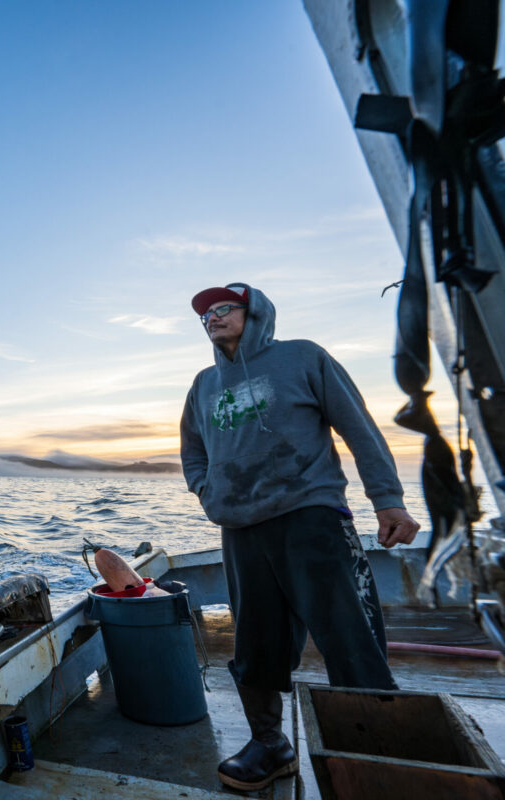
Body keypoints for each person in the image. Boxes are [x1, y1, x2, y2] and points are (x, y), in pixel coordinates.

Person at [179, 283, 419, 792]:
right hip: (241, 528)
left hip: (312, 517)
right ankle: (270, 744)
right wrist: (208, 492)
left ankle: (371, 751)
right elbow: (193, 450)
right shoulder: (202, 385)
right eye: (205, 313)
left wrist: (388, 499)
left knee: (349, 636)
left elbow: (358, 427)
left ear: (255, 312)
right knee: (256, 641)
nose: (212, 317)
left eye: (224, 308)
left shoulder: (303, 358)